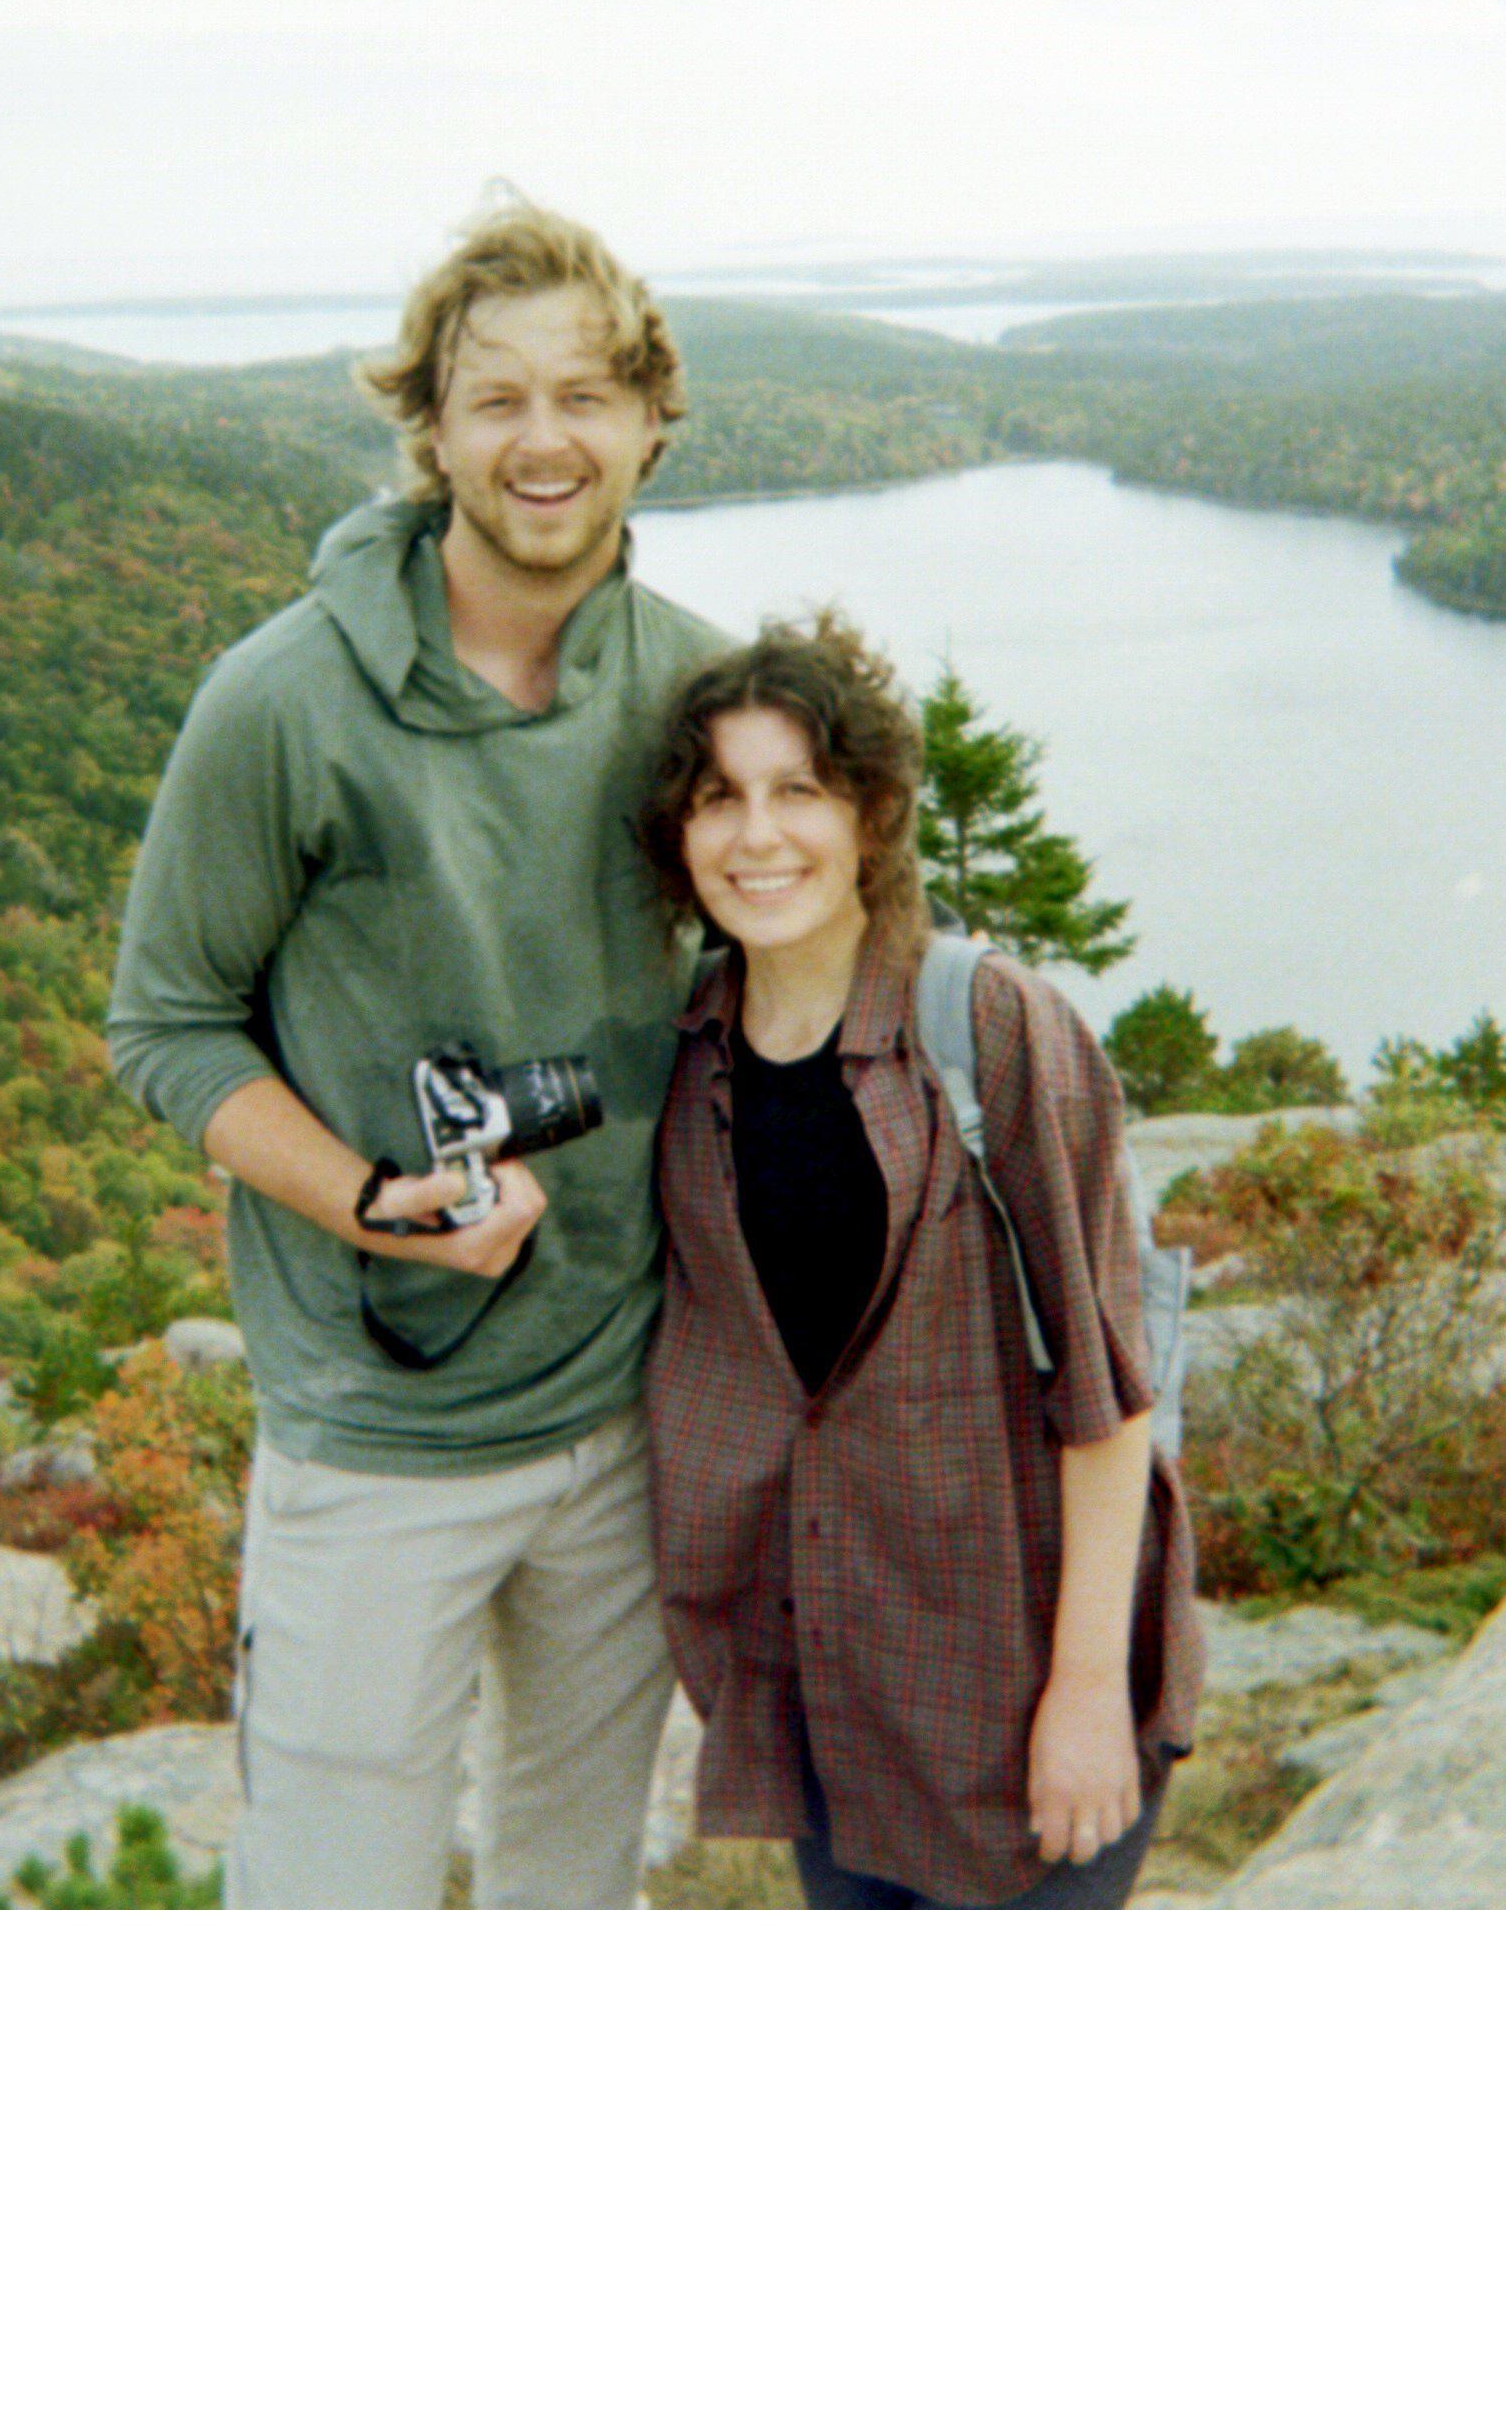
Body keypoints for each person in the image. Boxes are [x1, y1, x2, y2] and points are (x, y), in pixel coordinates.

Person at [105, 193, 725, 1909]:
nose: (547, 440)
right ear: (431, 428)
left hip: (621, 1412)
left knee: (571, 1891)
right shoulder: (285, 702)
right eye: (499, 398)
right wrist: (372, 1201)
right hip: (377, 1434)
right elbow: (164, 1025)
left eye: (588, 395)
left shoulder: (693, 696)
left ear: (651, 423)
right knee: (330, 1901)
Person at [633, 612, 1203, 1908]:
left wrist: (1085, 1697)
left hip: (1016, 1684)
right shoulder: (687, 1062)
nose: (757, 835)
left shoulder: (988, 1029)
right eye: (719, 797)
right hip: (837, 1695)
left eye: (799, 791)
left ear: (873, 815)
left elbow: (1109, 1399)